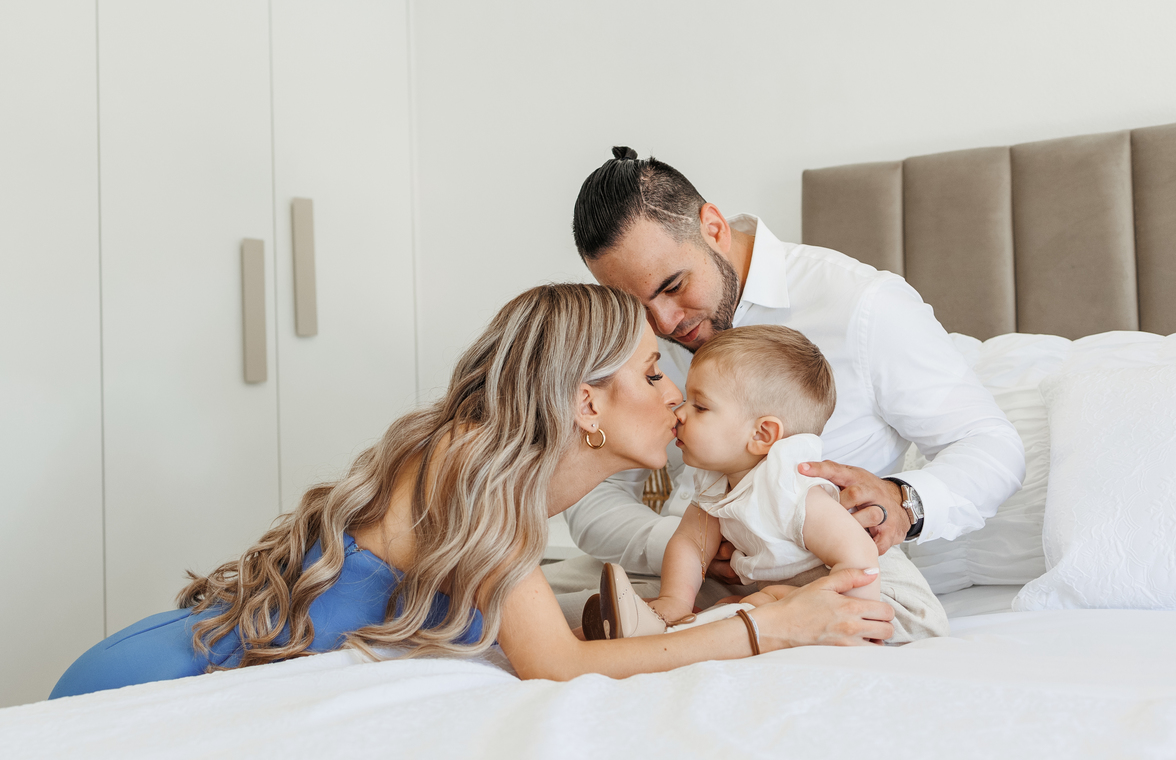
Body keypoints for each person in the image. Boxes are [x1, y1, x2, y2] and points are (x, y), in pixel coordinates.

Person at [50, 284, 894, 699]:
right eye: (651, 373)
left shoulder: (509, 475)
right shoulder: (471, 462)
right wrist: (767, 628)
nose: (676, 395)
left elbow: (543, 632)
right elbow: (554, 665)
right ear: (586, 404)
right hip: (155, 676)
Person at [550, 147, 1026, 642]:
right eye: (638, 306)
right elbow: (593, 490)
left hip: (823, 573)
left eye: (673, 286)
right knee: (515, 611)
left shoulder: (861, 306)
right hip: (679, 574)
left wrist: (907, 502)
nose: (665, 324)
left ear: (713, 227)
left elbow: (993, 446)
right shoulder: (639, 334)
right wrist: (676, 548)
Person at [597, 325, 885, 640]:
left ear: (761, 434)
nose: (680, 414)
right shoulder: (718, 479)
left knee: (755, 606)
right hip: (792, 597)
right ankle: (663, 624)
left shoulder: (791, 489)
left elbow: (859, 556)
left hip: (872, 598)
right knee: (737, 607)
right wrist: (674, 601)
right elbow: (691, 543)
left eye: (700, 407)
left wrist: (859, 624)